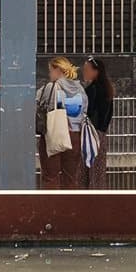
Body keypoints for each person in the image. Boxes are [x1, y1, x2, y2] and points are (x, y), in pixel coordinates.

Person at [36, 56, 88, 189]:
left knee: (50, 176)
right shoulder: (80, 89)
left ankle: (51, 208)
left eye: (50, 70)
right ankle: (70, 208)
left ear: (58, 70)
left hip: (55, 134)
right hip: (75, 136)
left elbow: (42, 105)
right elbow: (85, 110)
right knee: (70, 178)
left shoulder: (52, 86)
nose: (49, 74)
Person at [79, 57, 114, 189]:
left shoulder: (92, 90)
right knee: (98, 173)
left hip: (89, 134)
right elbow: (109, 113)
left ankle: (86, 201)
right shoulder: (107, 89)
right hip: (100, 135)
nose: (84, 72)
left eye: (87, 69)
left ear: (96, 71)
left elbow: (88, 111)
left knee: (84, 172)